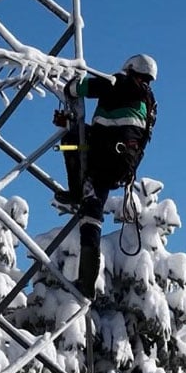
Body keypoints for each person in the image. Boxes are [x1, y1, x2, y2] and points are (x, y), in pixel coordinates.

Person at [56, 54, 158, 298]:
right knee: (93, 214)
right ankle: (87, 284)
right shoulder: (149, 101)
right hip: (121, 167)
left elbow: (82, 88)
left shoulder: (118, 82)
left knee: (70, 142)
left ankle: (75, 192)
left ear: (130, 68)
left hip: (101, 153)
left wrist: (69, 88)